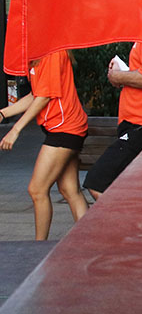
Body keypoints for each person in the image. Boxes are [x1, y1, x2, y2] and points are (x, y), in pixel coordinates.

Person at [0, 51, 89, 240]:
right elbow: (36, 94)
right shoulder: (39, 55)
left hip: (65, 128)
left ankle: (39, 248)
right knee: (69, 190)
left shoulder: (53, 54)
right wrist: (3, 114)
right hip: (63, 128)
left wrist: (16, 129)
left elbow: (44, 97)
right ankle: (89, 242)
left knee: (37, 189)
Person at [83, 42, 142, 199]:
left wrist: (118, 75)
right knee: (134, 192)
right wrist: (123, 72)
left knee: (97, 182)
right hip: (138, 124)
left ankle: (123, 223)